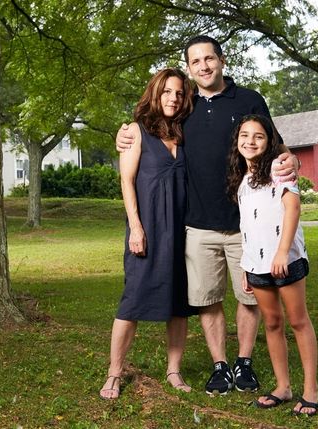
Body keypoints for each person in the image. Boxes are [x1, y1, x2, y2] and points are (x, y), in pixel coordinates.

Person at [117, 35, 299, 395]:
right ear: (189, 68)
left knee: (251, 297)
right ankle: (219, 365)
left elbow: (275, 144)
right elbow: (153, 125)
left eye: (209, 59)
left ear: (222, 60)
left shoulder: (249, 99)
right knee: (206, 299)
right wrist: (123, 134)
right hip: (197, 225)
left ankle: (243, 363)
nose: (203, 66)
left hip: (245, 223)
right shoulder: (186, 106)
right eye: (195, 62)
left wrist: (291, 158)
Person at [100, 68, 197, 400]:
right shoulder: (136, 132)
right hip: (148, 228)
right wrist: (136, 227)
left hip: (183, 230)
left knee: (179, 304)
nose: (173, 98)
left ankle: (174, 370)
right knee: (133, 300)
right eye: (167, 92)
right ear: (155, 94)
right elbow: (126, 181)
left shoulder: (185, 134)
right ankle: (114, 373)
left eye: (179, 93)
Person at [226, 114, 318, 416]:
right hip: (256, 265)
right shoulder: (242, 179)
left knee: (298, 321)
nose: (250, 141)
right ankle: (283, 387)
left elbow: (293, 208)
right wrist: (245, 264)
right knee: (272, 323)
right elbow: (247, 225)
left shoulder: (280, 169)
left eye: (258, 136)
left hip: (286, 261)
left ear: (269, 142)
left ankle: (311, 391)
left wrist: (281, 253)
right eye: (244, 135)